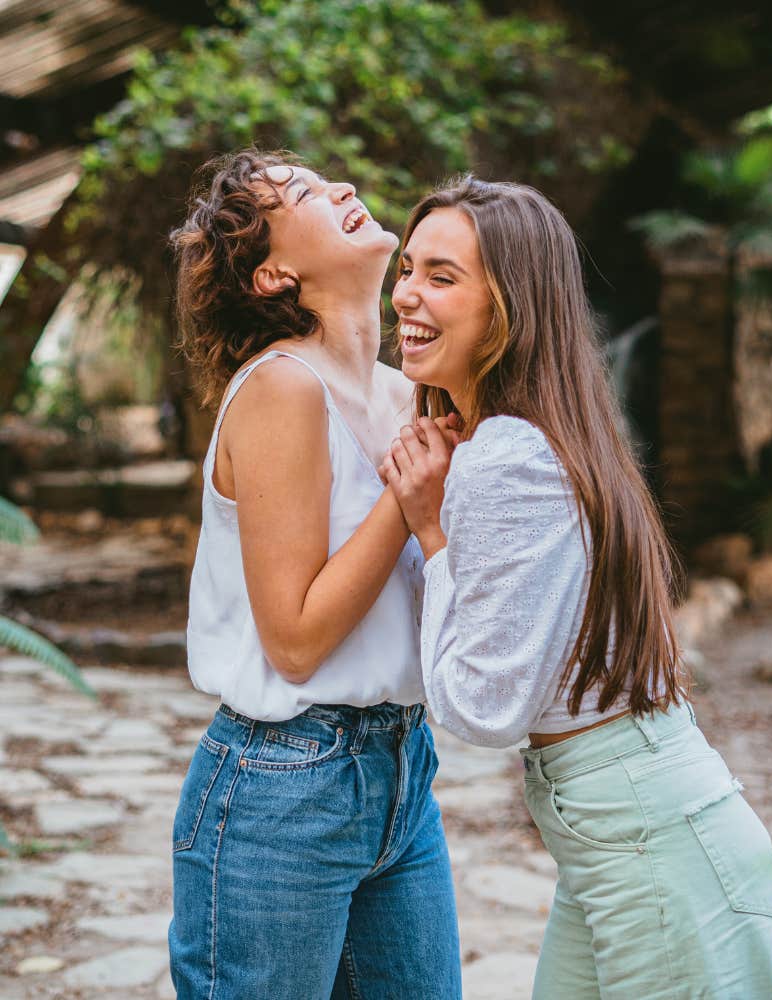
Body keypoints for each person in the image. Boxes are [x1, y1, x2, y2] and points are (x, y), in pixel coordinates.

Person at [380, 176, 772, 999]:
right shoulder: (540, 436)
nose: (408, 294)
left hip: (654, 848)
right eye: (409, 266)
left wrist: (431, 531)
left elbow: (483, 708)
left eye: (444, 276)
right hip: (635, 835)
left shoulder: (504, 458)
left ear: (510, 307)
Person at [167, 150, 461, 1000]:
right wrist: (404, 500)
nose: (339, 187)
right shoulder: (283, 390)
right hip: (281, 789)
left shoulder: (411, 396)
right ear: (273, 275)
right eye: (300, 193)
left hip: (404, 771)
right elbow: (293, 641)